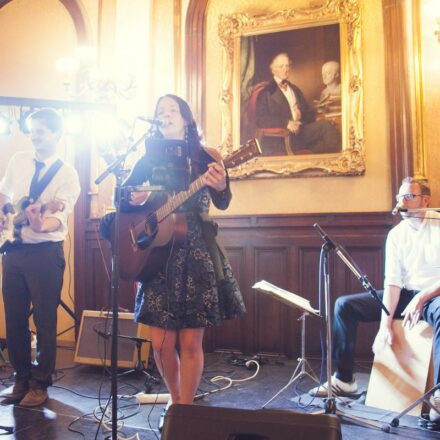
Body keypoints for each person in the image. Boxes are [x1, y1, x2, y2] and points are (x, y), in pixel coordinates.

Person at [121, 94, 246, 428]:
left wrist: (220, 186)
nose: (164, 115)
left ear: (187, 118)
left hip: (196, 250)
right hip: (156, 254)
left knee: (190, 341)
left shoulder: (208, 156)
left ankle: (184, 412)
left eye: (171, 110)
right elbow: (126, 196)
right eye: (159, 111)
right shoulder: (147, 158)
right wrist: (134, 195)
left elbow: (223, 201)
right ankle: (176, 401)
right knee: (161, 342)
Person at [309, 177, 440, 422]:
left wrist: (423, 297)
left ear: (425, 199)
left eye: (409, 197)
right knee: (344, 306)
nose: (402, 202)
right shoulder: (397, 234)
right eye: (400, 197)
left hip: (434, 294)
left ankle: (439, 394)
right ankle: (344, 380)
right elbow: (393, 283)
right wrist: (384, 326)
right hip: (406, 295)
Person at [0, 108, 80, 407]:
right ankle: (21, 379)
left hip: (45, 254)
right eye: (32, 130)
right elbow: (4, 192)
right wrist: (4, 212)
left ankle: (41, 384)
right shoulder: (18, 160)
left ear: (57, 134)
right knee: (14, 318)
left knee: (46, 321)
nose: (34, 136)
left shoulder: (67, 174)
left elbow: (57, 219)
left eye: (41, 131)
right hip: (13, 251)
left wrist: (37, 222)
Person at [255, 52, 341, 154]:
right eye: (281, 66)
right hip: (284, 137)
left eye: (287, 66)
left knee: (329, 131)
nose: (285, 69)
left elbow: (307, 112)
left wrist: (307, 115)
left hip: (301, 131)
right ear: (273, 70)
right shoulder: (266, 92)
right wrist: (286, 123)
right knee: (327, 128)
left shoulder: (294, 89)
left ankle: (314, 157)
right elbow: (261, 119)